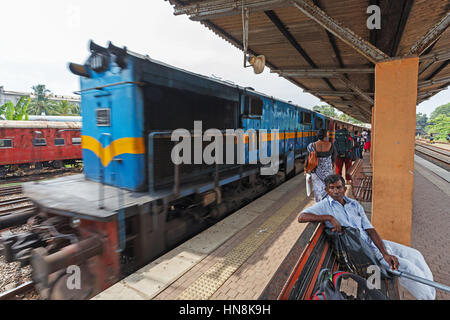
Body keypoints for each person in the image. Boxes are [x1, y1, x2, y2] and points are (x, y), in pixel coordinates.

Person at [297, 174, 436, 300]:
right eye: (331, 188)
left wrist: (385, 253)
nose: (335, 191)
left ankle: (432, 295)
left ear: (344, 188)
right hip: (363, 256)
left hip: (373, 245)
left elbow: (370, 229)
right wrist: (328, 217)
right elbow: (301, 217)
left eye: (338, 187)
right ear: (326, 190)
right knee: (408, 268)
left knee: (415, 255)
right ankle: (429, 298)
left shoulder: (354, 205)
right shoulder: (324, 206)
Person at [306, 128, 337, 202]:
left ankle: (318, 206)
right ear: (325, 135)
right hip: (328, 172)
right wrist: (333, 166)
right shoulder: (330, 144)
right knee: (328, 189)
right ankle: (327, 205)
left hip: (316, 172)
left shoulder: (312, 145)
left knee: (317, 190)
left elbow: (308, 157)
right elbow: (334, 156)